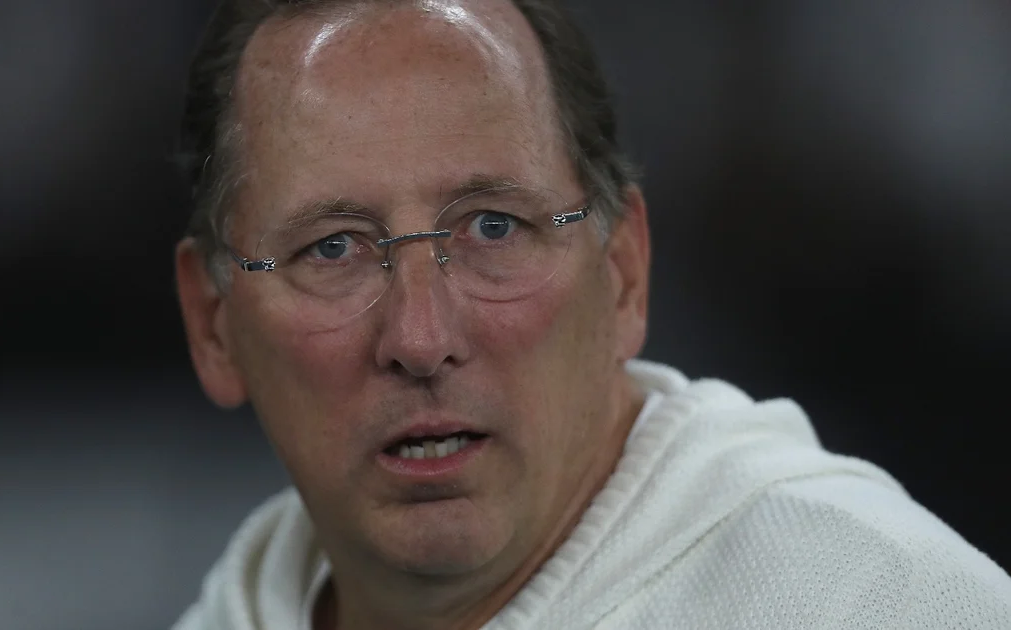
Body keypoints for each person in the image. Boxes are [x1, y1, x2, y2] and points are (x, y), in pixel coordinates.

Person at [170, 1, 1011, 628]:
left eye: (493, 227)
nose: (421, 339)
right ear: (214, 326)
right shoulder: (236, 611)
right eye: (334, 248)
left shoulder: (873, 601)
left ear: (624, 275)